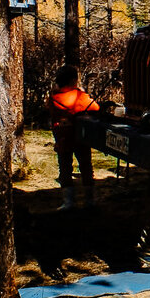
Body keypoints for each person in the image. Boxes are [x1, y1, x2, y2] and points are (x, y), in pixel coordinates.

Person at [49, 65, 100, 210]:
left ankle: (68, 202)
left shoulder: (53, 98)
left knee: (65, 168)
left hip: (62, 137)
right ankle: (89, 200)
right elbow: (95, 108)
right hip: (80, 138)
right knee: (85, 166)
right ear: (73, 80)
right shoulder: (80, 97)